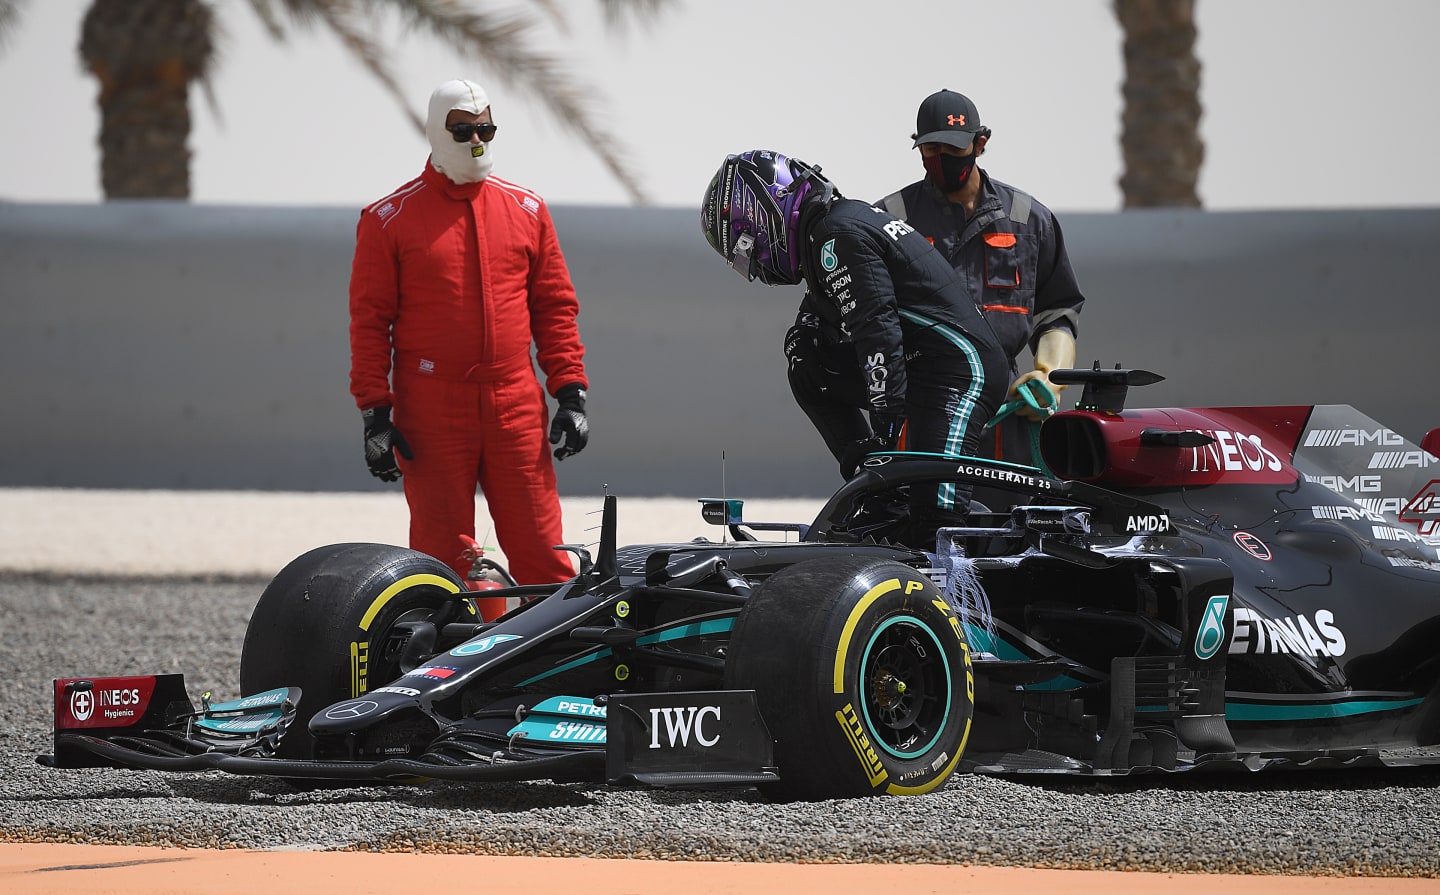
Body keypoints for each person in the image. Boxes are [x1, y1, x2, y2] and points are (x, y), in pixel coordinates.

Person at [348, 78, 590, 617]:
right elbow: (369, 323)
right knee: (444, 561)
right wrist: (375, 414)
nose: (477, 141)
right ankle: (454, 677)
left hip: (514, 400)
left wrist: (570, 393)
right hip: (431, 405)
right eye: (464, 130)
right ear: (437, 132)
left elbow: (555, 306)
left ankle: (553, 667)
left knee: (542, 552)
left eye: (487, 129)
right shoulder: (388, 219)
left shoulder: (526, 209)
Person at [701, 149, 1009, 544]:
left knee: (934, 526)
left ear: (763, 215)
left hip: (962, 371)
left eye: (747, 247)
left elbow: (877, 330)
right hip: (926, 367)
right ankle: (883, 496)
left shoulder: (837, 235)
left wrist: (884, 436)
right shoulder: (827, 234)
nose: (756, 264)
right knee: (804, 354)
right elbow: (824, 342)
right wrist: (874, 468)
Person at [877, 89, 1085, 470]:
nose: (941, 161)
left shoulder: (1029, 220)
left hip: (1009, 413)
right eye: (931, 150)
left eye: (954, 149)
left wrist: (1047, 380)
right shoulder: (890, 221)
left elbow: (1057, 314)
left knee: (1013, 522)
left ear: (980, 143)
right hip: (922, 415)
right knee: (924, 522)